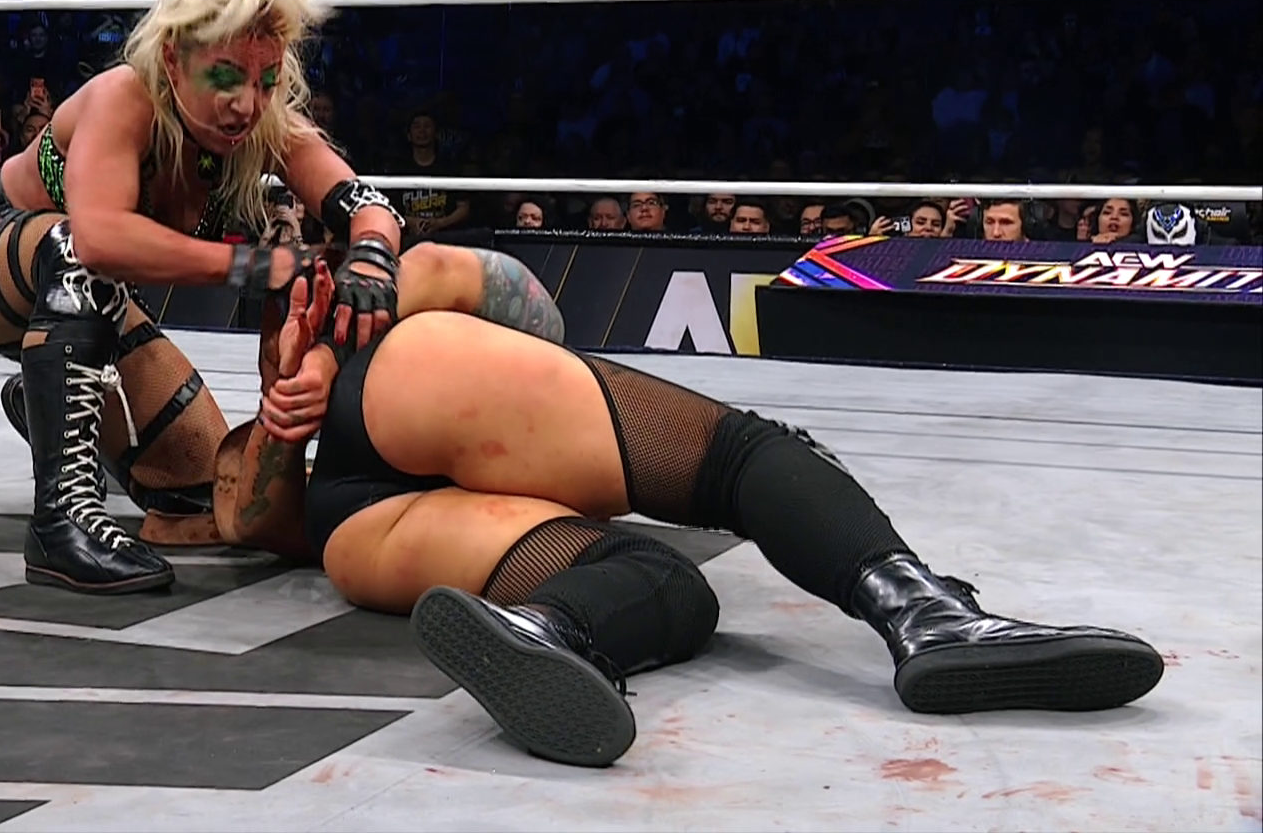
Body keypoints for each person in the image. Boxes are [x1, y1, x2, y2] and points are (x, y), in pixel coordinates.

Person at [218, 261, 1165, 769]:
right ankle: (929, 615)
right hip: (397, 382)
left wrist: (287, 401)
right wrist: (333, 354)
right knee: (736, 456)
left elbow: (250, 522)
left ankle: (550, 628)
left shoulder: (263, 437)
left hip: (358, 529)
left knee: (660, 584)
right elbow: (463, 279)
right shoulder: (390, 312)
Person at [0, 0, 406, 596]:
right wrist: (257, 266)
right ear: (174, 57)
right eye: (225, 77)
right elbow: (100, 239)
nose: (246, 103)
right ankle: (61, 523)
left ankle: (45, 406)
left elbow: (366, 203)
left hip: (93, 305)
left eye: (264, 80)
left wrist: (371, 259)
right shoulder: (126, 96)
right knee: (74, 249)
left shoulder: (266, 126)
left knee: (197, 492)